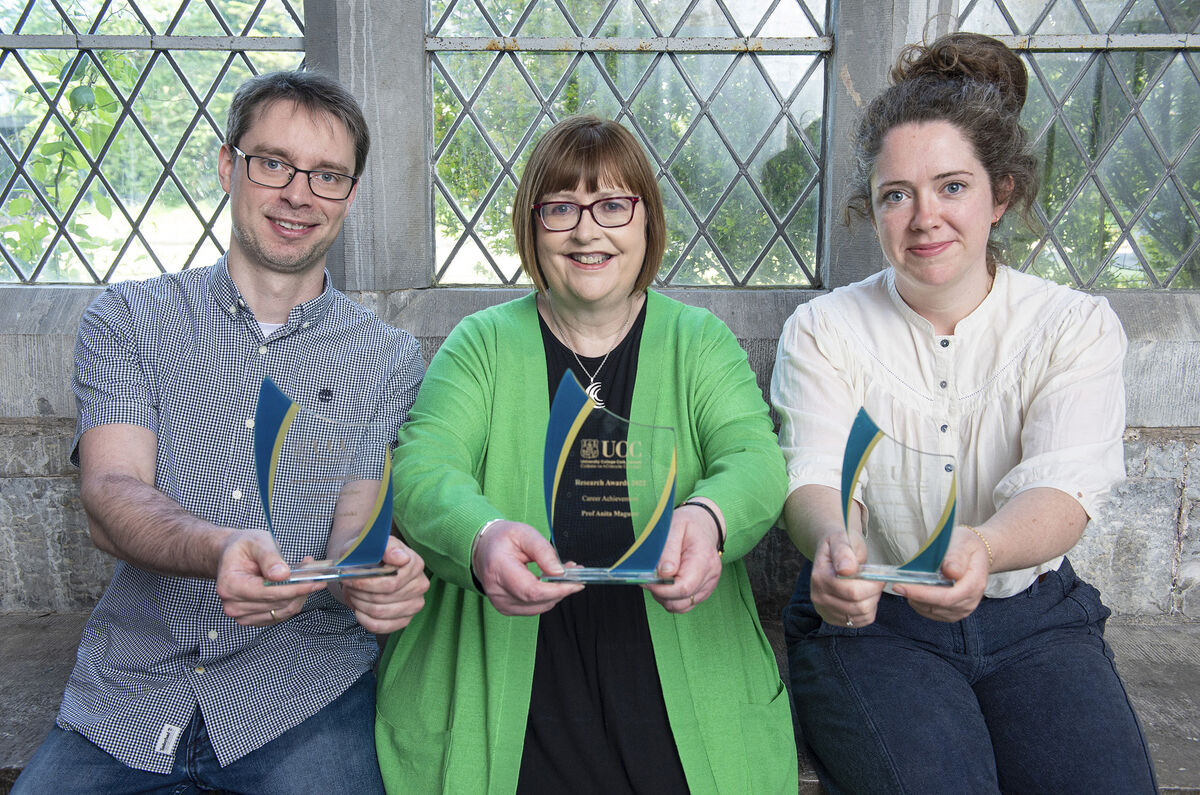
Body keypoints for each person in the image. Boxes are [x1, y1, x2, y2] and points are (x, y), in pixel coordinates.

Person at [14, 71, 428, 795]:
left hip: (299, 695)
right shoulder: (130, 319)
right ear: (227, 164)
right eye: (274, 163)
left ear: (350, 195)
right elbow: (111, 494)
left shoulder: (386, 357)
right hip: (130, 693)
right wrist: (222, 548)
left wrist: (378, 576)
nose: (299, 193)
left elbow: (352, 535)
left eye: (328, 175)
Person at [769, 32, 1157, 793]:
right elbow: (815, 474)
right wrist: (837, 549)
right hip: (877, 624)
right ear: (873, 208)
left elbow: (1064, 489)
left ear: (1000, 193)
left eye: (952, 186)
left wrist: (981, 545)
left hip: (1035, 621)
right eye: (896, 194)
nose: (924, 218)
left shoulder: (1072, 325)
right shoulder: (824, 329)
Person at [375, 115, 796, 793]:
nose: (586, 229)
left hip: (677, 677)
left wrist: (709, 517)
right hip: (510, 692)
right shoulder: (479, 342)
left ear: (646, 222)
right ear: (532, 225)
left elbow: (755, 457)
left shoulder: (700, 342)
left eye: (611, 205)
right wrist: (481, 540)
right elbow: (424, 466)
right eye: (561, 207)